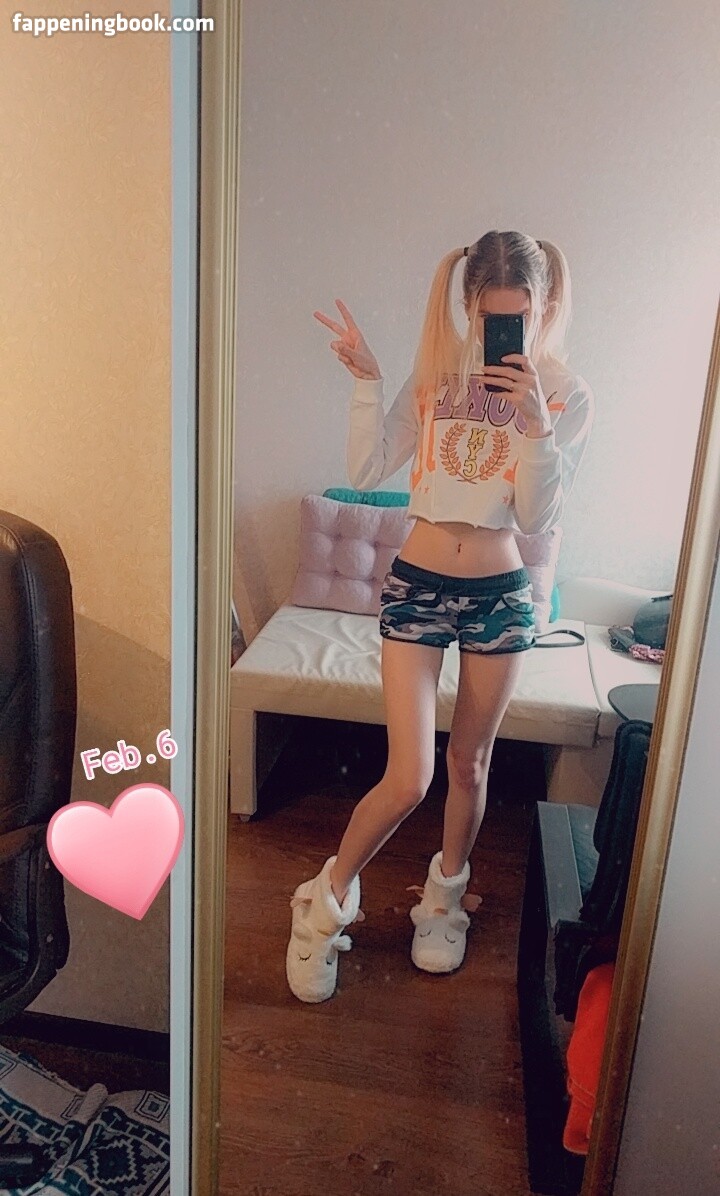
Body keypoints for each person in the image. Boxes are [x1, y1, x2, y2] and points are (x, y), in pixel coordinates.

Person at [286, 229, 595, 1003]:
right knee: (410, 775)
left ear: (544, 305)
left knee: (470, 764)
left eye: (520, 316)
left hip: (502, 592)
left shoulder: (566, 394)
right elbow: (367, 470)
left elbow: (537, 518)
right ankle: (322, 903)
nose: (506, 331)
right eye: (492, 316)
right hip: (418, 583)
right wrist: (369, 381)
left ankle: (444, 903)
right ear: (468, 304)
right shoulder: (433, 375)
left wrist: (537, 426)